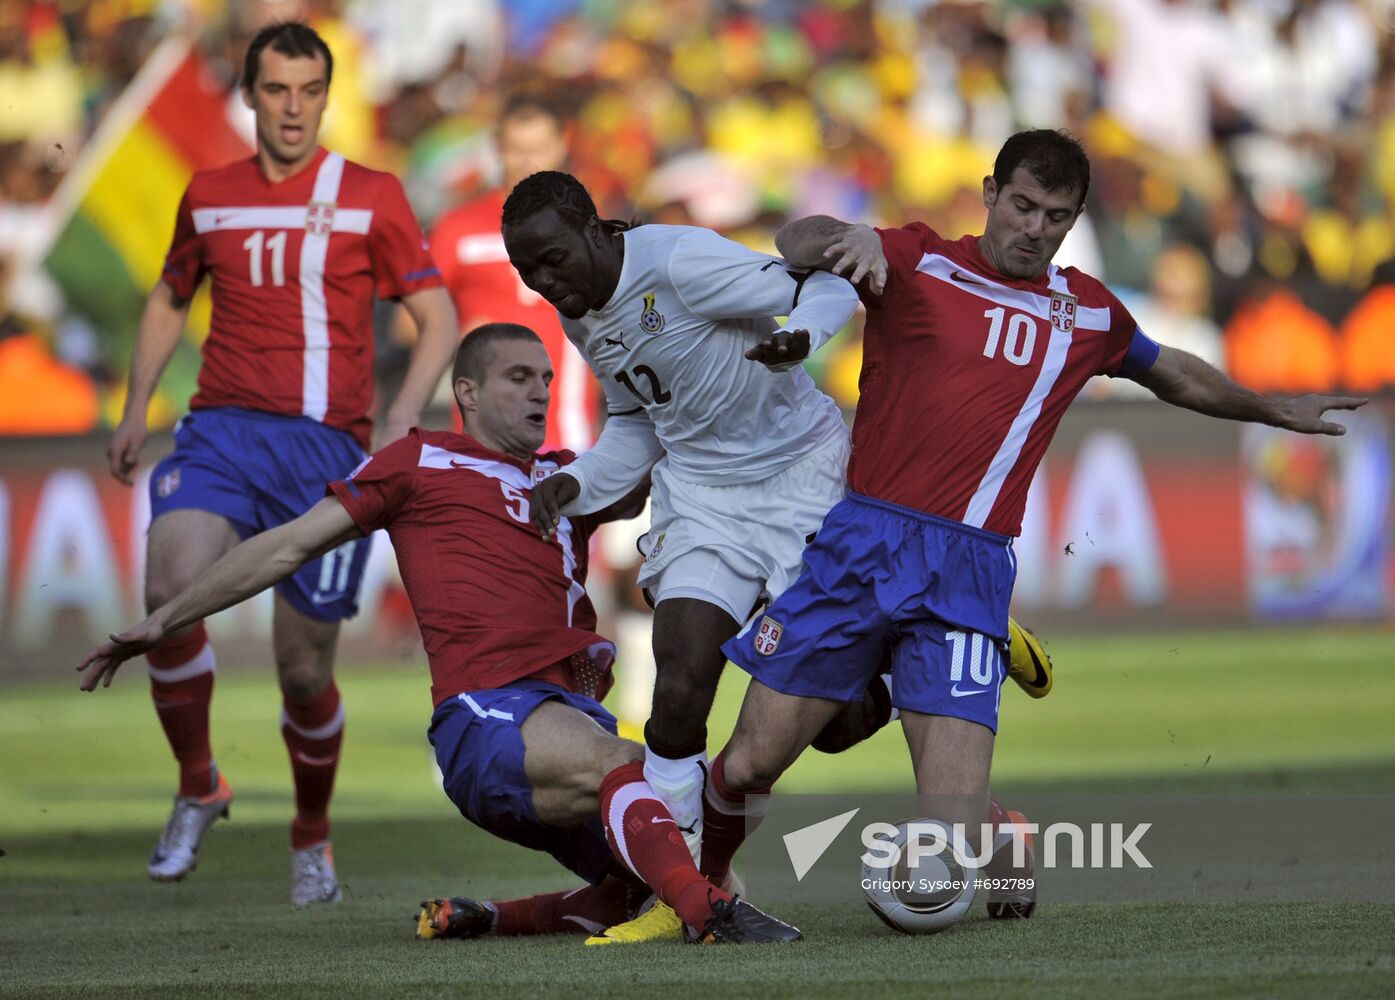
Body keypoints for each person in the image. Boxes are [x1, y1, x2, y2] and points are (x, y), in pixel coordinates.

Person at [697, 129, 1367, 930]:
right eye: (1020, 205)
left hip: (967, 572)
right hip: (859, 548)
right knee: (745, 763)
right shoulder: (914, 259)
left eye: (1055, 215)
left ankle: (997, 831)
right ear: (988, 192)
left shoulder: (1086, 310)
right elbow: (790, 242)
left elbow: (1174, 371)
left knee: (938, 852)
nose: (1033, 228)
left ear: (1074, 217)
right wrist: (844, 238)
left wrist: (1269, 407)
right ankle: (702, 888)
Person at [80, 324, 801, 946]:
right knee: (637, 781)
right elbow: (288, 544)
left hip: (566, 720)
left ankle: (494, 917)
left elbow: (658, 456)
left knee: (676, 859)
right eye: (518, 378)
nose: (539, 393)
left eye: (546, 379)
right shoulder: (419, 461)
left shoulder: (565, 478)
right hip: (487, 718)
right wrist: (164, 619)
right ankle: (712, 917)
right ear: (467, 393)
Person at [504, 171, 1056, 940]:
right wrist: (574, 484)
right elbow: (637, 422)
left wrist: (801, 338)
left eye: (552, 260)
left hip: (802, 479)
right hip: (702, 497)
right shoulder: (582, 312)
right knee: (682, 675)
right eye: (526, 270)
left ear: (594, 233)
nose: (542, 281)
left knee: (837, 722)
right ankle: (677, 889)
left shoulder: (676, 263)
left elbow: (822, 283)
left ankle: (974, 717)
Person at [102, 22, 459, 904]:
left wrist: (406, 409)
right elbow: (168, 295)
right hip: (219, 433)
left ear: (326, 97)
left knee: (303, 671)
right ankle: (199, 784)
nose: (292, 108)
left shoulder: (371, 195)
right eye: (275, 89)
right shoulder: (209, 192)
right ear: (250, 95)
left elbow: (439, 315)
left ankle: (310, 834)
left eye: (307, 90)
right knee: (168, 593)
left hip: (326, 451)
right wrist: (135, 405)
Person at [430, 93, 593, 452]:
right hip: (481, 442)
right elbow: (410, 328)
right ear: (497, 147)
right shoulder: (458, 227)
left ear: (563, 143)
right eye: (516, 149)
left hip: (569, 443)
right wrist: (460, 331)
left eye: (539, 148)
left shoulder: (590, 229)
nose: (528, 161)